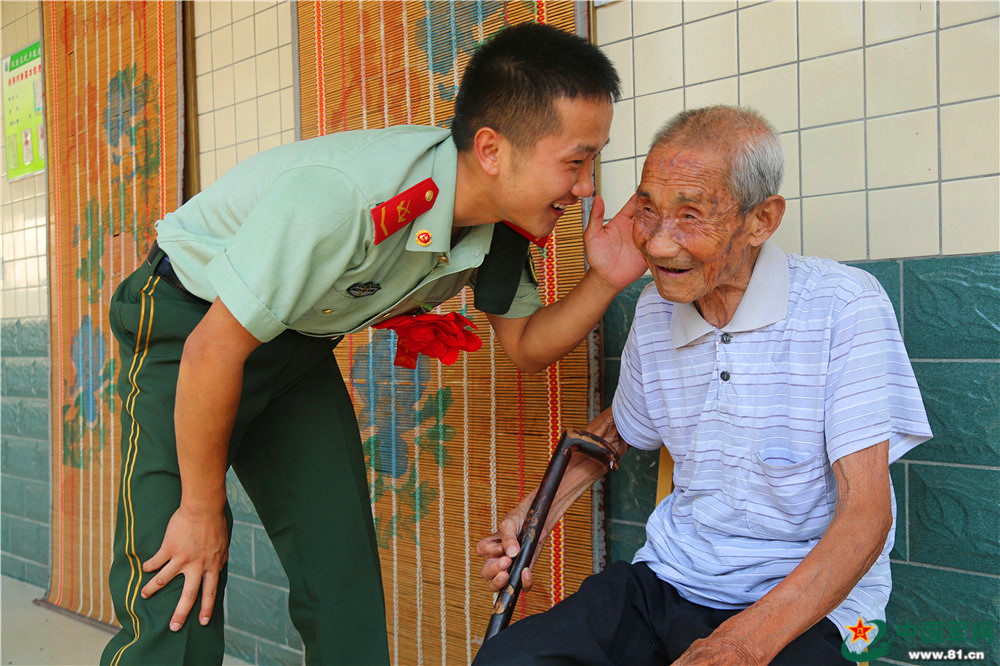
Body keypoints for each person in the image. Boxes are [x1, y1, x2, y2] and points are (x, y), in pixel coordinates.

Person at [101, 22, 647, 666]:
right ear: (493, 149)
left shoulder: (501, 224)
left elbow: (526, 345)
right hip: (188, 327)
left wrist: (607, 279)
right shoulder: (348, 198)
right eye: (576, 161)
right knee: (179, 576)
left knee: (342, 581)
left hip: (295, 346)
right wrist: (201, 509)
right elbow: (212, 351)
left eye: (595, 161)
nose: (586, 186)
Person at [475, 106, 932, 665]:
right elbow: (618, 429)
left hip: (810, 605)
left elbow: (867, 515)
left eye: (691, 216)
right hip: (674, 576)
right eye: (647, 210)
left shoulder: (844, 305)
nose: (660, 244)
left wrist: (742, 644)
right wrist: (536, 513)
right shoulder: (653, 310)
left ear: (761, 221)